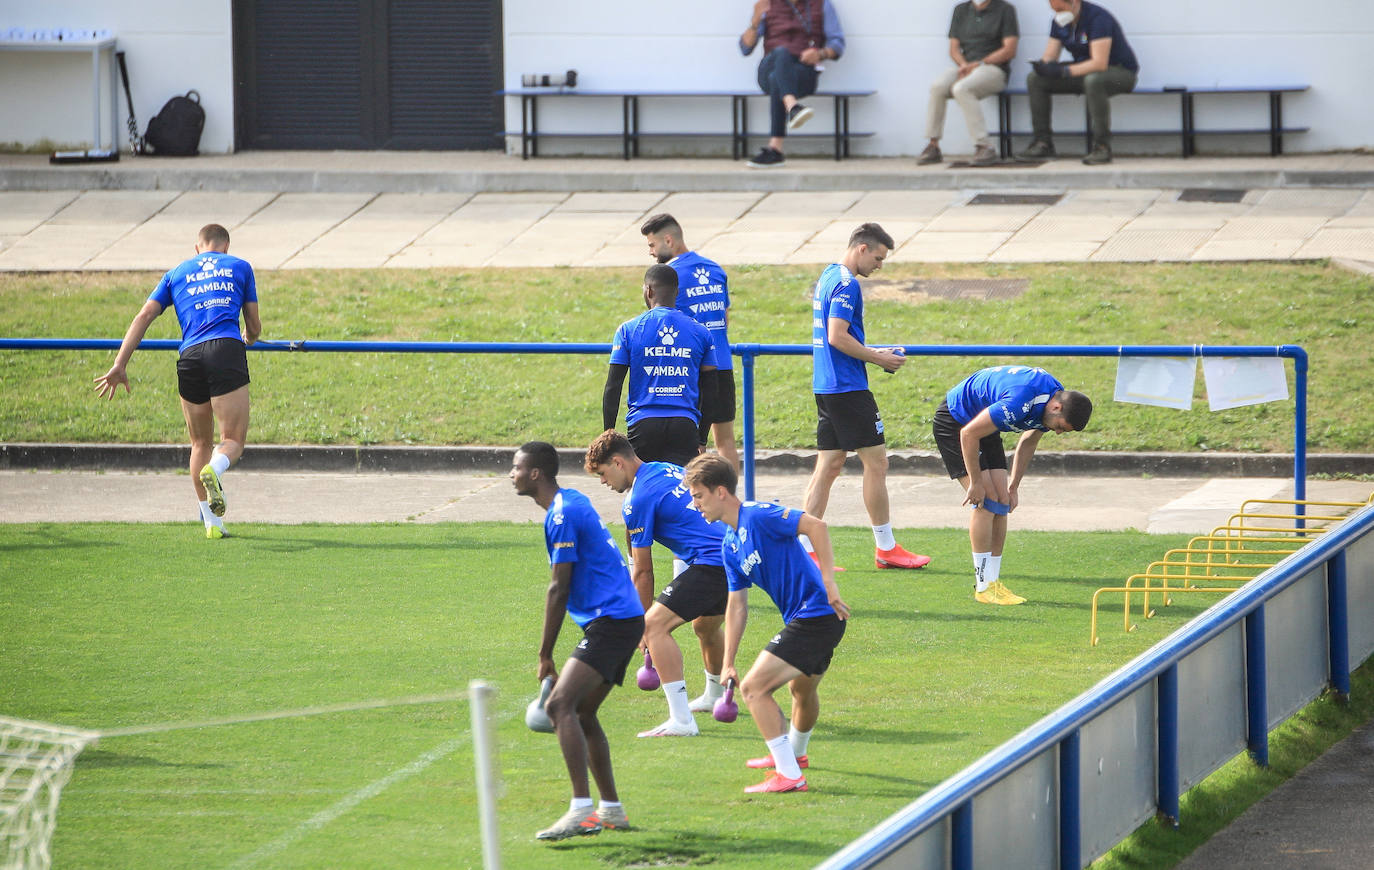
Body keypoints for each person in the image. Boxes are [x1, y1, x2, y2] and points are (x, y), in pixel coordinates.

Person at [684, 453, 848, 794]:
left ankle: (789, 774)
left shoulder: (758, 516)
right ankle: (796, 757)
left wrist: (829, 582)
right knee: (801, 690)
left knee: (754, 688)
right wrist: (728, 663)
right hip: (808, 618)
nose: (694, 504)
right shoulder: (729, 546)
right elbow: (737, 605)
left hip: (817, 615)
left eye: (698, 495)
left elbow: (815, 525)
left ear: (720, 492)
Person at [510, 441, 645, 840]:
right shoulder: (570, 502)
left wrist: (544, 654)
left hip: (613, 622)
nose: (511, 474)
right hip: (619, 620)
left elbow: (558, 588)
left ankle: (581, 810)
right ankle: (612, 810)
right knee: (583, 714)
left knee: (559, 704)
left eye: (516, 468)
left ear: (535, 473)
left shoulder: (563, 514)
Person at [93, 223, 260, 540]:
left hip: (190, 357)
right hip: (225, 349)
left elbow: (144, 316)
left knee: (200, 443)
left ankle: (212, 523)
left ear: (197, 247)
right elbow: (253, 326)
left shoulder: (175, 273)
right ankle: (217, 469)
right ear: (225, 247)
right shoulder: (240, 266)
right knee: (232, 440)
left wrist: (119, 363)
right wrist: (250, 338)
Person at [584, 430, 730, 736]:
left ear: (618, 462)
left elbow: (644, 572)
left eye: (602, 473)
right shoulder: (664, 468)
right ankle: (715, 693)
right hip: (732, 553)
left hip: (712, 563)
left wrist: (638, 624)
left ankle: (681, 721)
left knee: (654, 627)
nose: (603, 482)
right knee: (705, 627)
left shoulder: (637, 499)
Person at [805, 222, 931, 571]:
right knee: (877, 463)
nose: (879, 265)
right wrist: (880, 358)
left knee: (828, 467)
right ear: (862, 248)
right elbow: (837, 337)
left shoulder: (828, 276)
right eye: (877, 258)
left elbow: (839, 338)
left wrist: (875, 351)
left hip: (827, 386)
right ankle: (886, 548)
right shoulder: (847, 284)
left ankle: (804, 549)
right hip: (848, 389)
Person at [932, 365, 1093, 605]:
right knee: (985, 501)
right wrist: (974, 482)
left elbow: (1028, 441)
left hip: (984, 423)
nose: (1057, 433)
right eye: (1060, 427)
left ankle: (993, 582)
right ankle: (983, 586)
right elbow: (968, 434)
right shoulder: (1021, 400)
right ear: (1056, 407)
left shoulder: (1052, 397)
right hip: (956, 422)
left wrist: (1014, 486)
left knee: (1002, 501)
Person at [640, 213, 739, 472]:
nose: (650, 252)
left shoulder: (668, 276)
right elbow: (725, 318)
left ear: (669, 240)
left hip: (693, 369)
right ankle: (729, 505)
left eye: (652, 245)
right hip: (723, 365)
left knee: (696, 443)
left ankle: (694, 506)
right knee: (726, 441)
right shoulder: (716, 269)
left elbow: (662, 320)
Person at [603, 264, 718, 469]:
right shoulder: (701, 332)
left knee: (644, 490)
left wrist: (608, 434)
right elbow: (711, 391)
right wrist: (702, 438)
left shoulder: (628, 330)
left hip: (643, 424)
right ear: (677, 292)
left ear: (648, 290)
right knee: (682, 492)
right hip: (684, 424)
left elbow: (613, 385)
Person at [1018, 0, 1139, 166]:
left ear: (1074, 3)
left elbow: (1099, 63)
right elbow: (1050, 55)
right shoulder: (1059, 22)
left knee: (1093, 80)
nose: (1057, 13)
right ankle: (1042, 143)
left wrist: (1063, 72)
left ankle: (1102, 147)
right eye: (1054, 9)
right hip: (1086, 72)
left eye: (1061, 8)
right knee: (1035, 80)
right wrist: (1044, 67)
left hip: (1120, 74)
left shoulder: (1097, 18)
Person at [738, 0, 845, 169]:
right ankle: (792, 106)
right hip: (769, 68)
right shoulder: (767, 5)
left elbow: (837, 43)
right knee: (781, 53)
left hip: (802, 73)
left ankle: (775, 150)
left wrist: (821, 53)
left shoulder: (822, 4)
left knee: (777, 78)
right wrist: (755, 20)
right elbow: (745, 48)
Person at [918, 0, 1020, 167]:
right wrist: (964, 64)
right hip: (966, 67)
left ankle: (983, 145)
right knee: (938, 87)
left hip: (993, 69)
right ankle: (933, 145)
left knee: (961, 88)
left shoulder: (1005, 10)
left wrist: (979, 63)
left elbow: (1010, 49)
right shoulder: (960, 10)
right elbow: (953, 48)